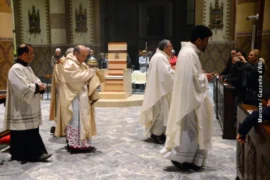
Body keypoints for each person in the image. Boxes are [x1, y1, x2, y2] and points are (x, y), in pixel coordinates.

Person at [161, 25, 214, 170]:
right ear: (198, 40)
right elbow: (193, 79)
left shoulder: (187, 52)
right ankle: (183, 160)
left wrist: (201, 76)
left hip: (188, 98)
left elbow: (192, 76)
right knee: (190, 131)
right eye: (206, 40)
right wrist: (204, 77)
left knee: (191, 130)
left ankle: (187, 159)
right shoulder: (190, 53)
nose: (206, 43)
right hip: (190, 101)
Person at [4, 44, 52, 162]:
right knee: (24, 131)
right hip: (21, 108)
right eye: (31, 53)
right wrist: (37, 87)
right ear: (24, 54)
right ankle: (31, 155)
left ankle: (31, 153)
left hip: (29, 106)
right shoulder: (15, 69)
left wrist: (39, 85)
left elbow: (36, 80)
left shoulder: (27, 68)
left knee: (31, 130)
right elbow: (22, 88)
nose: (33, 56)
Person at [55, 45, 100, 153]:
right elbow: (75, 78)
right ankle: (75, 144)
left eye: (86, 55)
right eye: (83, 55)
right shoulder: (69, 63)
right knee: (76, 120)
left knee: (83, 119)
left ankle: (84, 143)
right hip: (74, 97)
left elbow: (84, 74)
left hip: (82, 96)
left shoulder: (80, 62)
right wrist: (91, 72)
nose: (85, 58)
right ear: (76, 53)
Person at [140, 39, 175, 144]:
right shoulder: (160, 58)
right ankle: (156, 135)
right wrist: (176, 73)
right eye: (170, 46)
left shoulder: (159, 56)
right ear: (165, 48)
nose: (172, 48)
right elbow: (166, 74)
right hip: (160, 91)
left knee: (163, 112)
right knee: (161, 114)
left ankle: (161, 134)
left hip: (160, 89)